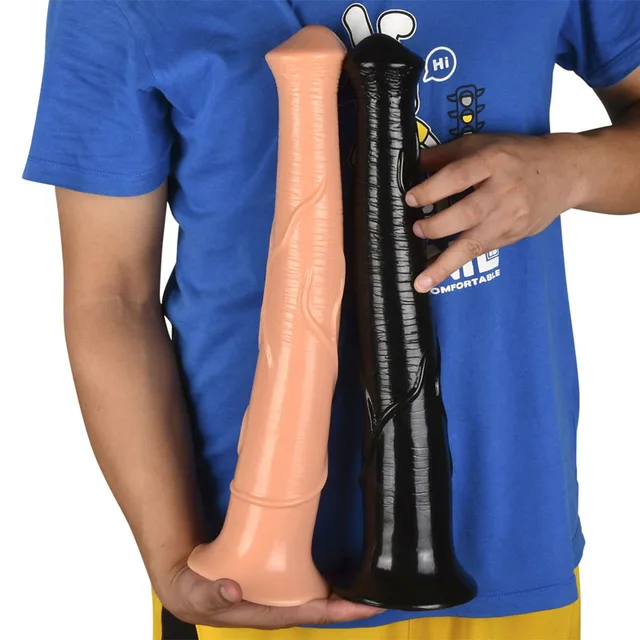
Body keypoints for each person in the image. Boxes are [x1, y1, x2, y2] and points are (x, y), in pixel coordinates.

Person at [23, 1, 640, 639]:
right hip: (244, 582)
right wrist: (171, 557)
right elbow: (111, 298)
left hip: (511, 540)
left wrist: (569, 171)